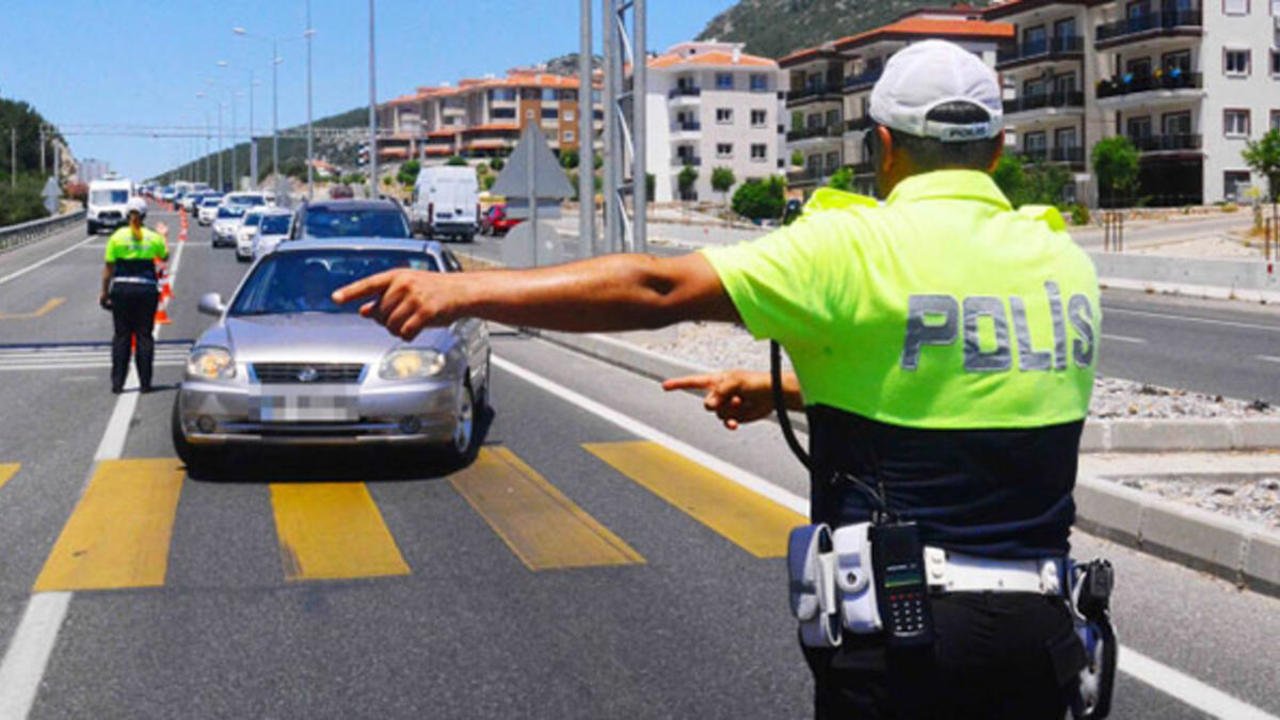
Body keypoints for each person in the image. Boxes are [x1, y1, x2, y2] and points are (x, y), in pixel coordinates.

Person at [332, 40, 1100, 719]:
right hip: (1042, 638)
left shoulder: (850, 247)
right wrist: (793, 392)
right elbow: (975, 377)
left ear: (883, 147)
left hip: (904, 643)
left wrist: (463, 291)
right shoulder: (1062, 262)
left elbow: (658, 289)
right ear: (998, 149)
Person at [100, 198, 169, 394]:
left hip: (121, 289)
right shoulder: (152, 237)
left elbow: (108, 269)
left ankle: (117, 383)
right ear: (145, 215)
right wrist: (164, 235)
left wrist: (104, 292)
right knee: (144, 336)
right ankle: (145, 383)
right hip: (146, 290)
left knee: (122, 336)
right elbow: (164, 257)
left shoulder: (117, 237)